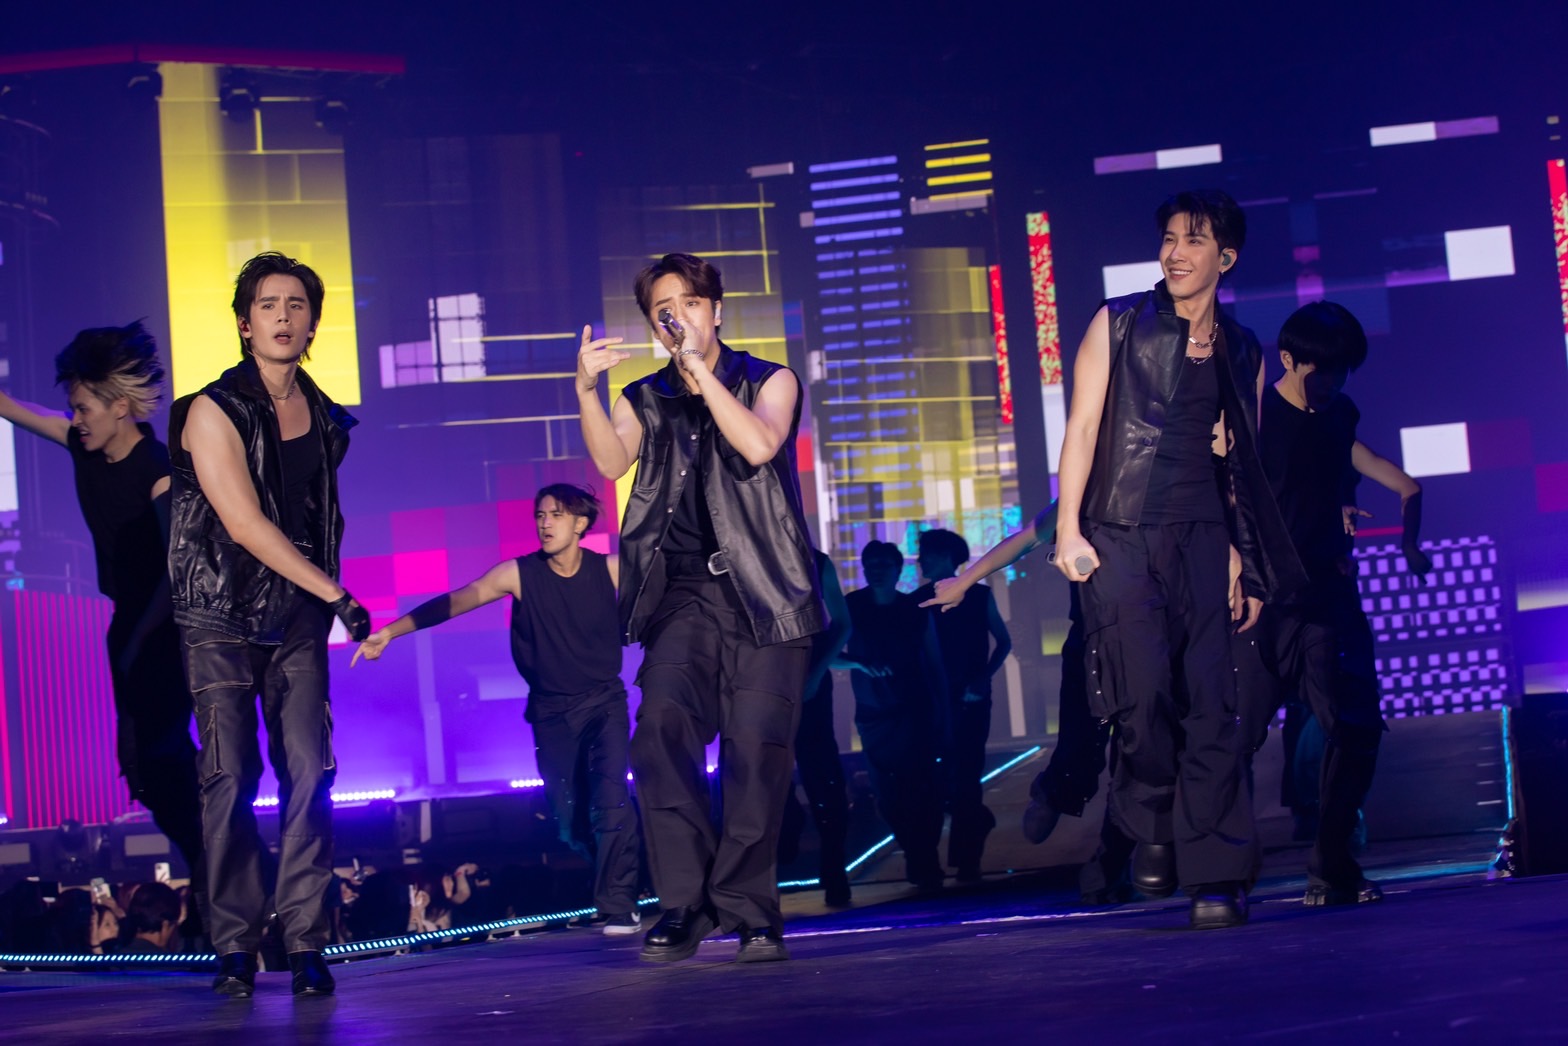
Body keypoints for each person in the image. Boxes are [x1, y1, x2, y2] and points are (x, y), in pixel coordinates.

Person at [1051, 190, 1304, 929]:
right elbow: (1082, 427)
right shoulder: (1118, 321)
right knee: (1142, 699)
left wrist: (1240, 556)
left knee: (1212, 704)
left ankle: (1217, 875)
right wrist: (1068, 530)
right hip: (1120, 531)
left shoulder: (1242, 347)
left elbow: (1239, 464)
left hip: (1202, 535)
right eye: (1168, 238)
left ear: (1226, 257)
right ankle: (1154, 815)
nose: (1176, 253)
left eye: (1194, 240)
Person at [575, 252, 824, 963]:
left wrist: (701, 375)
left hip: (766, 592)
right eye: (662, 309)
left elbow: (759, 444)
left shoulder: (770, 379)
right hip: (683, 595)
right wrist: (587, 391)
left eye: (688, 303)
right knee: (657, 732)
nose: (675, 317)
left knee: (755, 751)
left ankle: (750, 910)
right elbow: (611, 463)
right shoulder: (644, 396)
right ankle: (684, 904)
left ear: (715, 310)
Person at [169, 251, 371, 997]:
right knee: (229, 776)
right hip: (217, 613)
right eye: (267, 305)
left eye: (296, 305)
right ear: (244, 324)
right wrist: (337, 593)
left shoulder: (325, 416)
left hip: (296, 617)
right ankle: (234, 943)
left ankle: (307, 940)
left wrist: (318, 598)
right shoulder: (211, 409)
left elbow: (314, 517)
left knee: (311, 770)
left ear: (312, 322)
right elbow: (244, 522)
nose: (283, 317)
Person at [353, 483, 643, 934]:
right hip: (550, 712)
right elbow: (458, 600)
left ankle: (619, 903)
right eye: (540, 515)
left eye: (556, 515)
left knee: (610, 799)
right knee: (568, 821)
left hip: (604, 703)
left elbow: (669, 585)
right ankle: (617, 885)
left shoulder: (610, 570)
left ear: (581, 523)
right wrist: (390, 632)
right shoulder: (518, 574)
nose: (545, 523)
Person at [0, 323, 204, 935]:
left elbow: (177, 571)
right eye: (73, 408)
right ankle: (215, 866)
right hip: (127, 627)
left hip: (166, 627)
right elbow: (13, 408)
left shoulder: (158, 468)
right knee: (143, 769)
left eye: (84, 408)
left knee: (161, 759)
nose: (76, 419)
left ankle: (225, 873)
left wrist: (142, 639)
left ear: (119, 407)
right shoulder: (84, 447)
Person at [1236, 300, 1430, 906]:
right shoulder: (1253, 416)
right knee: (1231, 738)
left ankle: (1332, 860)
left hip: (1326, 593)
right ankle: (1220, 873)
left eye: (1344, 372)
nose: (1334, 384)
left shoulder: (1340, 412)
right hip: (1261, 599)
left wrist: (1349, 508)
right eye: (1324, 372)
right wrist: (1234, 573)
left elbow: (1336, 474)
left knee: (1357, 725)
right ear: (1288, 359)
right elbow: (1225, 497)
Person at [841, 540, 948, 890]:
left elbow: (933, 661)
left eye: (883, 565)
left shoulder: (913, 608)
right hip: (875, 712)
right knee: (888, 793)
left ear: (898, 569)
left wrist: (942, 711)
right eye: (870, 564)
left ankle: (924, 860)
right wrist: (859, 663)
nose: (876, 571)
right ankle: (920, 857)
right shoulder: (852, 605)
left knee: (921, 788)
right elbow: (826, 654)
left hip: (914, 708)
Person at [912, 529, 1012, 882]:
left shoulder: (979, 596)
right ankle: (971, 835)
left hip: (970, 699)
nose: (921, 561)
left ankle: (967, 860)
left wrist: (982, 677)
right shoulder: (918, 601)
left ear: (946, 557)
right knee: (944, 778)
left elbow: (1003, 642)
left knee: (966, 775)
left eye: (926, 554)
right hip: (935, 701)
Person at [779, 550, 855, 906]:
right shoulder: (811, 560)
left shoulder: (816, 561)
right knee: (781, 776)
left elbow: (842, 623)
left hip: (805, 682)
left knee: (823, 779)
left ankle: (834, 868)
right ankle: (827, 864)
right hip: (776, 683)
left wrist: (817, 672)